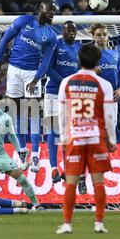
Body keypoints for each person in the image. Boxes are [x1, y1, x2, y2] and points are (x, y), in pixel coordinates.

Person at [56, 43, 117, 234]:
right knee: (98, 181)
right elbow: (108, 115)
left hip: (75, 136)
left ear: (78, 60)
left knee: (71, 182)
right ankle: (99, 223)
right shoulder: (104, 84)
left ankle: (67, 224)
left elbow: (61, 113)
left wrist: (64, 137)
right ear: (98, 61)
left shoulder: (66, 81)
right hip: (96, 137)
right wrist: (112, 139)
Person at [0, 0, 57, 172]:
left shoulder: (51, 35)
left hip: (32, 73)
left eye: (54, 9)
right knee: (16, 110)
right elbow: (5, 39)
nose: (52, 11)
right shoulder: (23, 21)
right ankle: (23, 150)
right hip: (14, 70)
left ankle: (36, 154)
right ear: (39, 9)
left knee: (33, 111)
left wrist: (37, 78)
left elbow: (46, 60)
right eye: (49, 8)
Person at [85, 23, 120, 193]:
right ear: (93, 36)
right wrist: (90, 70)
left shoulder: (115, 54)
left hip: (112, 100)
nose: (102, 37)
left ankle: (102, 165)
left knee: (109, 132)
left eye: (104, 34)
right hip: (94, 98)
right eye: (99, 34)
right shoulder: (88, 54)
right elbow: (78, 71)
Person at [44, 21, 81, 184]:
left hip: (71, 94)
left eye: (74, 30)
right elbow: (48, 68)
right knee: (52, 129)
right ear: (63, 31)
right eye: (68, 30)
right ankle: (53, 168)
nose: (71, 32)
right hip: (53, 90)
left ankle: (66, 168)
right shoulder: (55, 45)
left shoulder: (80, 48)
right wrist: (65, 82)